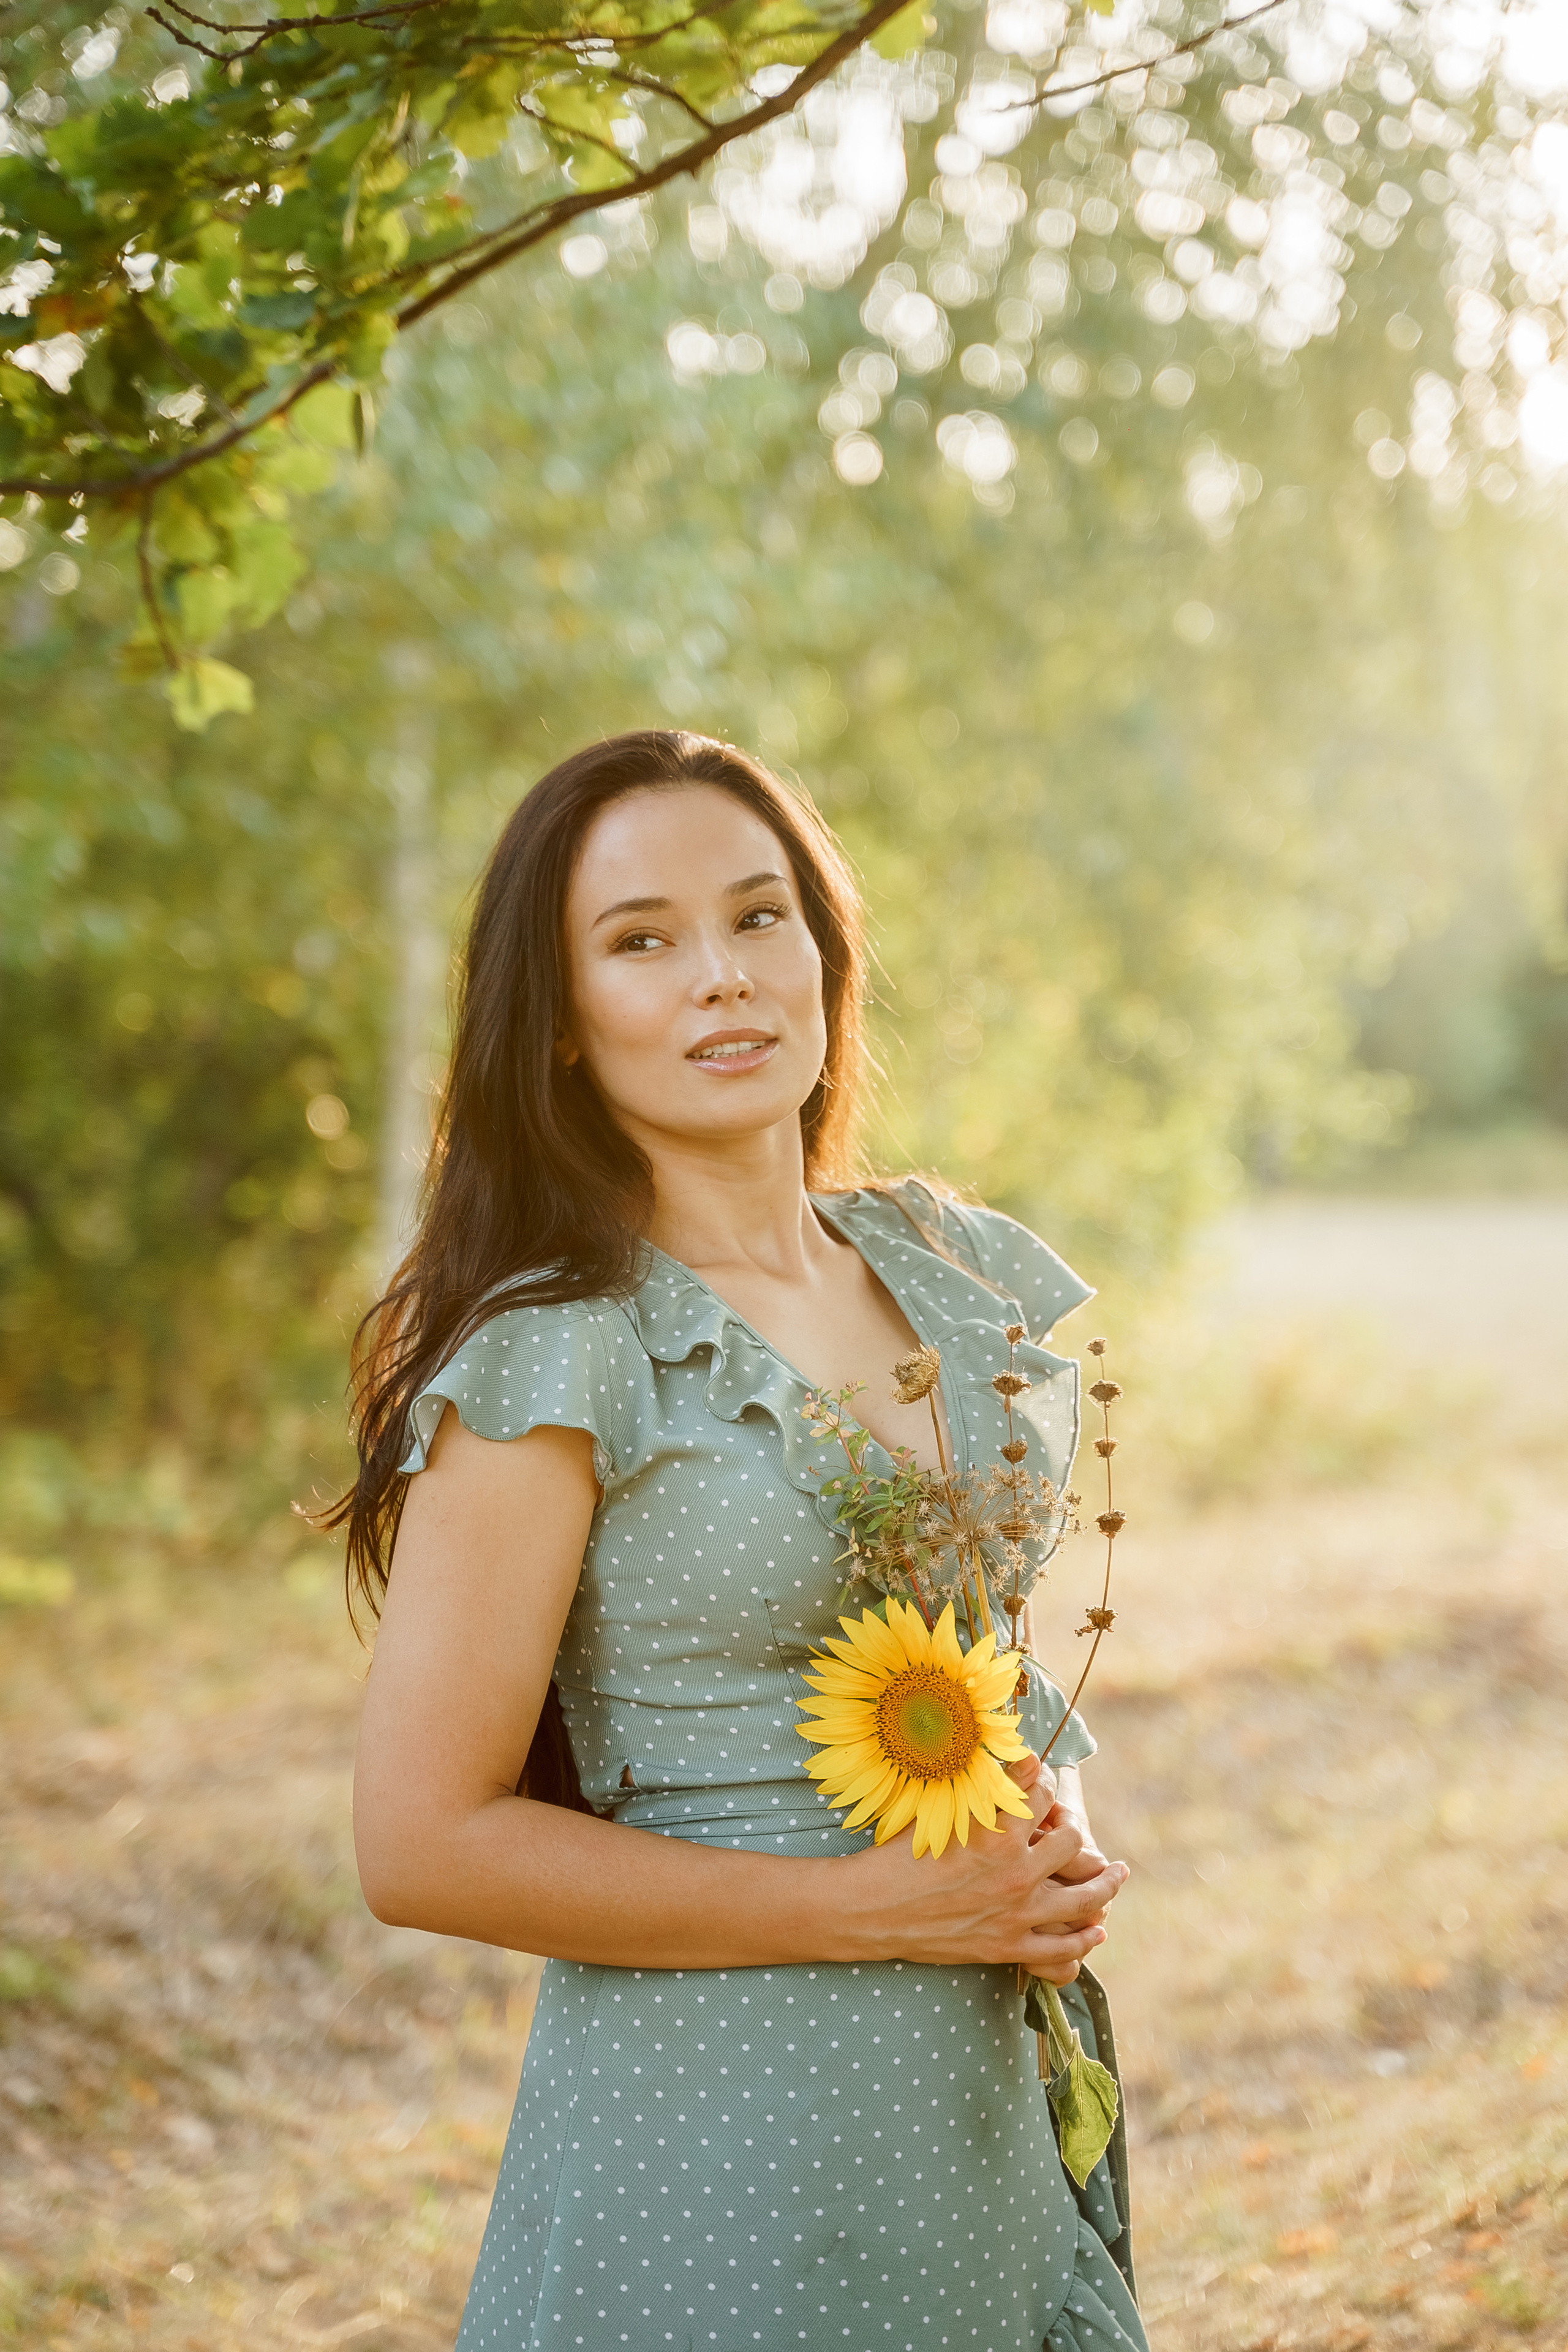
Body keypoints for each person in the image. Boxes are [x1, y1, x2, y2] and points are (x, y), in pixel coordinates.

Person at [338, 730, 1147, 2352]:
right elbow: (417, 1844)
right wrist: (889, 1913)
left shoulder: (945, 1269)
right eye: (642, 942)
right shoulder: (561, 1356)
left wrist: (1042, 1809)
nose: (723, 978)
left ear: (825, 955)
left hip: (984, 2105)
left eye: (760, 917)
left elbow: (976, 1655)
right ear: (561, 1026)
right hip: (715, 2147)